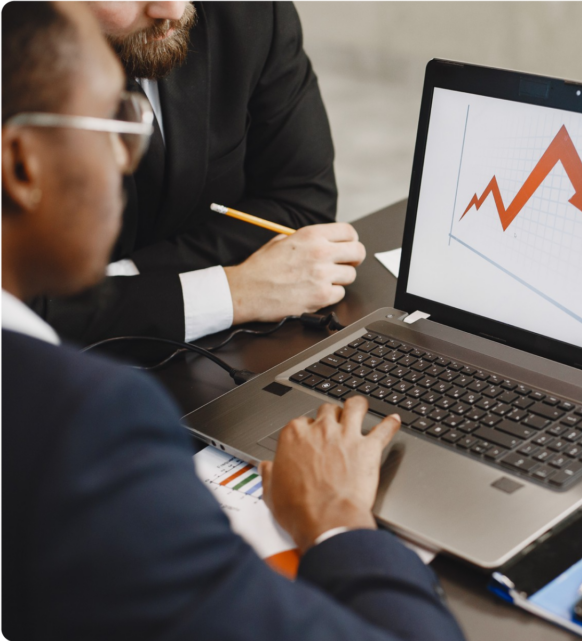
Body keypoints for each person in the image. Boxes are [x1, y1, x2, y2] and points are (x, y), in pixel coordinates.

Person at [0, 2, 464, 639]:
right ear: (22, 162)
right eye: (114, 120)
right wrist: (336, 521)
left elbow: (300, 199)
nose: (132, 158)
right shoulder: (85, 433)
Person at [30, 0, 368, 345]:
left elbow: (301, 204)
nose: (174, 9)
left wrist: (115, 286)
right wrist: (233, 293)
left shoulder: (249, 12)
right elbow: (18, 312)